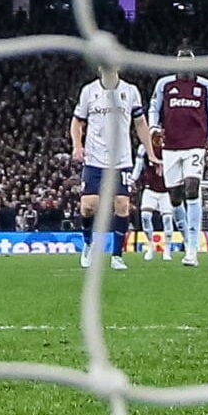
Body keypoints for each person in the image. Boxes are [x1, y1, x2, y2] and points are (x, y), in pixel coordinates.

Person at [148, 54, 208, 267]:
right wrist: (154, 128)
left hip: (195, 145)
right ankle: (187, 239)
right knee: (175, 197)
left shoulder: (206, 86)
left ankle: (192, 248)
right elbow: (154, 107)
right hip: (170, 146)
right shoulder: (165, 84)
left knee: (192, 188)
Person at [71, 67, 146, 271]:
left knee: (122, 204)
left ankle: (117, 256)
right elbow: (77, 122)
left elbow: (140, 123)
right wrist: (77, 145)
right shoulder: (89, 91)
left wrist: (151, 151)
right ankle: (88, 243)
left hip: (121, 159)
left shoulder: (130, 91)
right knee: (88, 206)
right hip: (95, 158)